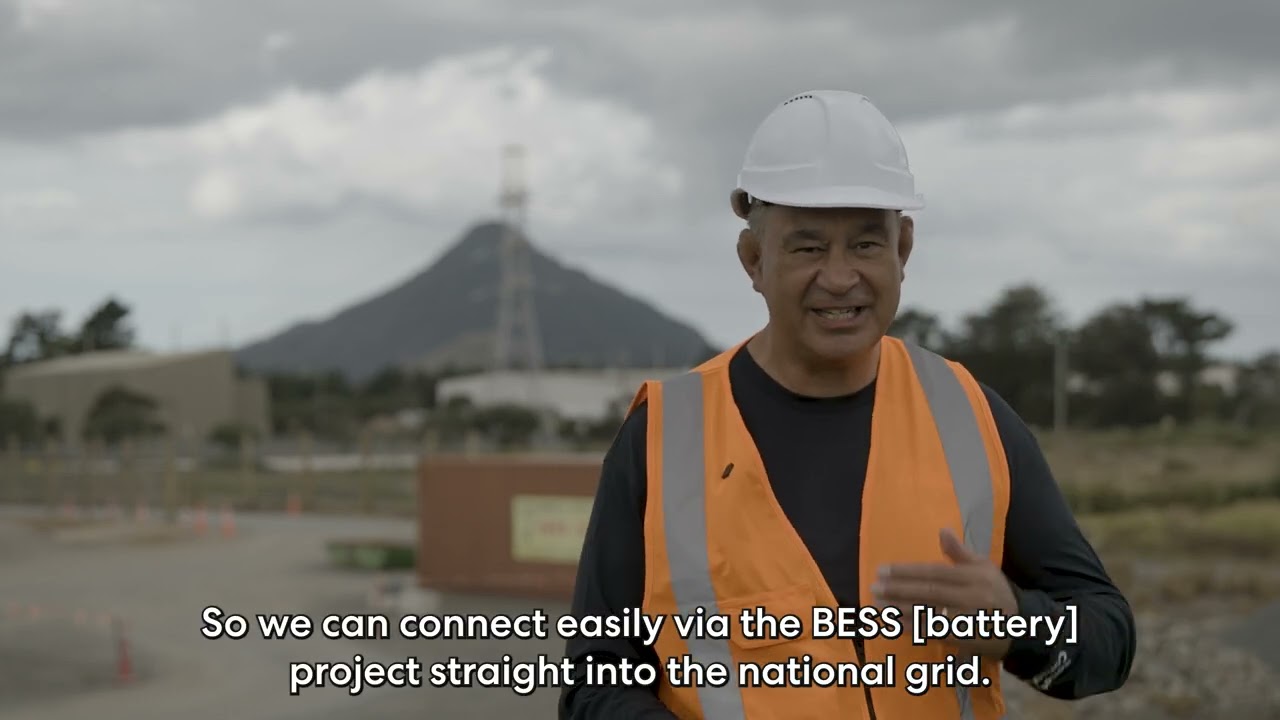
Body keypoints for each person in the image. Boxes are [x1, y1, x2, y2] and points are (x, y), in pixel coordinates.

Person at [558, 90, 1136, 719]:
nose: (839, 278)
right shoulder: (664, 437)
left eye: (865, 245)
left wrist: (1019, 625)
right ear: (754, 260)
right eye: (808, 248)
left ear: (902, 249)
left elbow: (1108, 638)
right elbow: (595, 683)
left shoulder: (971, 417)